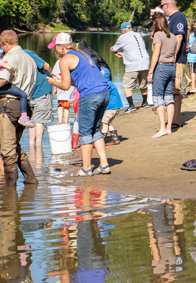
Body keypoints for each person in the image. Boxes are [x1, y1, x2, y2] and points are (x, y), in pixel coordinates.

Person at [47, 32, 112, 177]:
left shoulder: (65, 60)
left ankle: (86, 168)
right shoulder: (82, 53)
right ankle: (104, 165)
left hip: (90, 96)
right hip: (104, 92)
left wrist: (53, 82)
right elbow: (76, 82)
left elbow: (64, 86)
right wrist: (61, 80)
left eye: (55, 47)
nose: (54, 50)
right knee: (96, 131)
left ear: (60, 46)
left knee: (85, 133)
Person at [0, 30, 39, 186]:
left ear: (5, 44)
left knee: (7, 150)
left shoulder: (10, 57)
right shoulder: (29, 58)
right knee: (13, 145)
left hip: (8, 105)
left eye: (2, 47)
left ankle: (10, 190)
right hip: (25, 107)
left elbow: (3, 79)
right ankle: (31, 180)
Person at [0, 40, 34, 128]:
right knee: (23, 94)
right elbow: (9, 67)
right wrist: (11, 73)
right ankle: (24, 117)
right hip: (2, 86)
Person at [147, 15, 177, 138]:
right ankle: (169, 127)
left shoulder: (158, 35)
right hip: (171, 67)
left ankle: (162, 128)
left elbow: (156, 54)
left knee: (158, 98)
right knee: (169, 97)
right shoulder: (173, 36)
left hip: (161, 67)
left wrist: (150, 72)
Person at [161, 0, 189, 129]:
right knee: (171, 89)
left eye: (162, 6)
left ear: (166, 5)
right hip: (172, 59)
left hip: (176, 59)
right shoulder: (172, 18)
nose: (162, 10)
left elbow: (179, 37)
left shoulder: (178, 17)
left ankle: (175, 120)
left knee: (176, 89)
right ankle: (173, 118)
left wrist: (173, 55)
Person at [111, 22, 150, 112]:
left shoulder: (122, 37)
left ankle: (131, 105)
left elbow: (114, 49)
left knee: (126, 86)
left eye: (121, 31)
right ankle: (145, 102)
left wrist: (112, 49)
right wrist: (124, 54)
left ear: (123, 30)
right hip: (145, 62)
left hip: (133, 65)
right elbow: (134, 49)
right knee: (143, 84)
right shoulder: (138, 35)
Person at [21, 47, 53, 148]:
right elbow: (46, 66)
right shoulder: (22, 53)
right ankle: (34, 148)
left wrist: (51, 79)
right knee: (34, 120)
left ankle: (37, 147)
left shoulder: (25, 53)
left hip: (40, 89)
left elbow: (45, 66)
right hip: (31, 92)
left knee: (36, 120)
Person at [99, 67, 122, 146]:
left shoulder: (106, 85)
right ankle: (115, 139)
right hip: (116, 106)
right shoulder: (110, 83)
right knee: (108, 122)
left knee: (104, 122)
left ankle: (102, 140)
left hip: (111, 107)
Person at [186, 24, 196, 94]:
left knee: (192, 72)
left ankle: (193, 88)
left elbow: (190, 46)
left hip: (191, 57)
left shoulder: (190, 36)